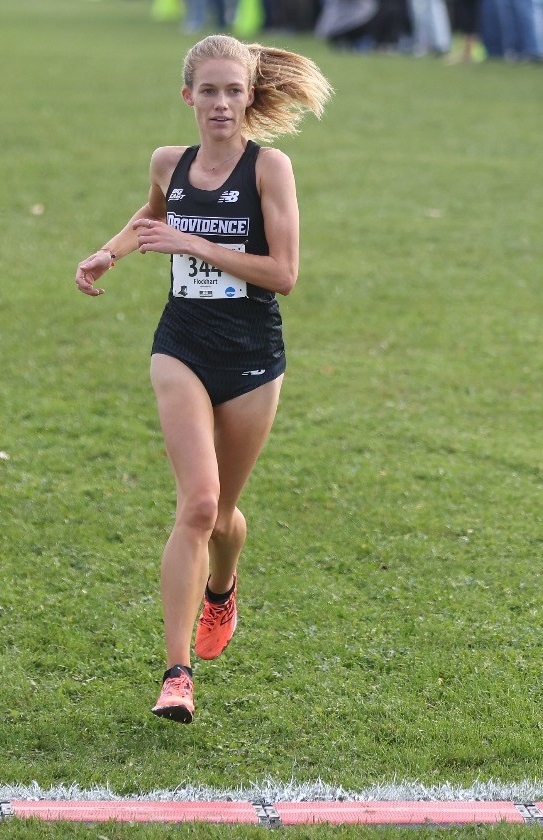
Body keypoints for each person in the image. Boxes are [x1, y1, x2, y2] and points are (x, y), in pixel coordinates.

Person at [74, 35, 331, 724]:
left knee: (222, 518)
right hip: (181, 346)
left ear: (249, 97)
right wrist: (108, 253)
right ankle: (176, 674)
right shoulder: (170, 162)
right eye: (209, 91)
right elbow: (152, 216)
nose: (221, 103)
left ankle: (222, 587)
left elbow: (283, 274)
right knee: (197, 504)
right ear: (188, 96)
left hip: (250, 355)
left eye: (233, 91)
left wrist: (195, 244)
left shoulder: (269, 168)